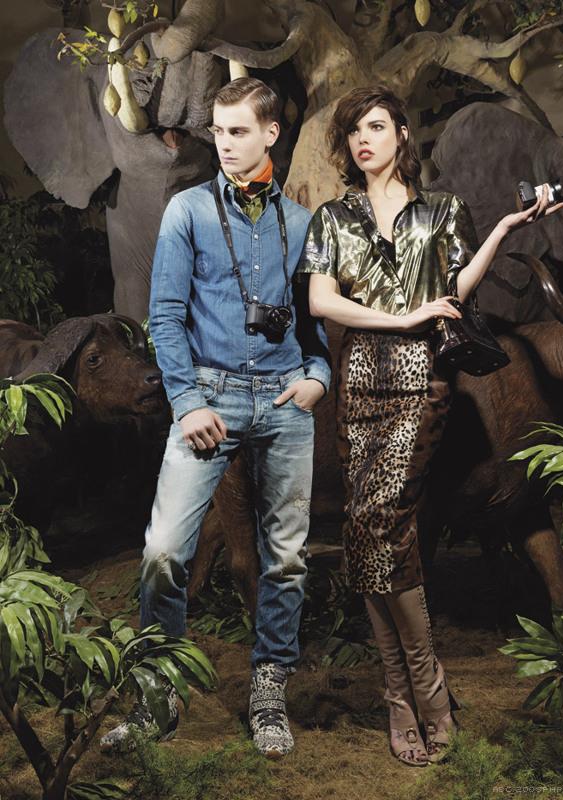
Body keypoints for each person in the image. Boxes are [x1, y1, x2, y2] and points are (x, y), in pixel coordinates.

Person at [296, 85, 563, 766]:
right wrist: (401, 316)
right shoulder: (332, 216)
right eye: (354, 131)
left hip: (423, 380)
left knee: (380, 521)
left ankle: (423, 691)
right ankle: (404, 692)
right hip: (359, 380)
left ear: (402, 134)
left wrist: (503, 229)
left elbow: (457, 289)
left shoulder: (442, 211)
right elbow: (323, 300)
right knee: (368, 531)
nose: (363, 140)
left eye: (375, 126)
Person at [100, 77, 330, 759]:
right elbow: (165, 316)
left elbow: (314, 328)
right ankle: (156, 702)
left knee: (286, 559)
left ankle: (269, 694)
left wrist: (318, 378)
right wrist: (188, 401)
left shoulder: (302, 223)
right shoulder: (189, 211)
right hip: (209, 398)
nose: (225, 145)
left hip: (286, 400)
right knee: (164, 552)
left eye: (238, 132)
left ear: (271, 134)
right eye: (218, 132)